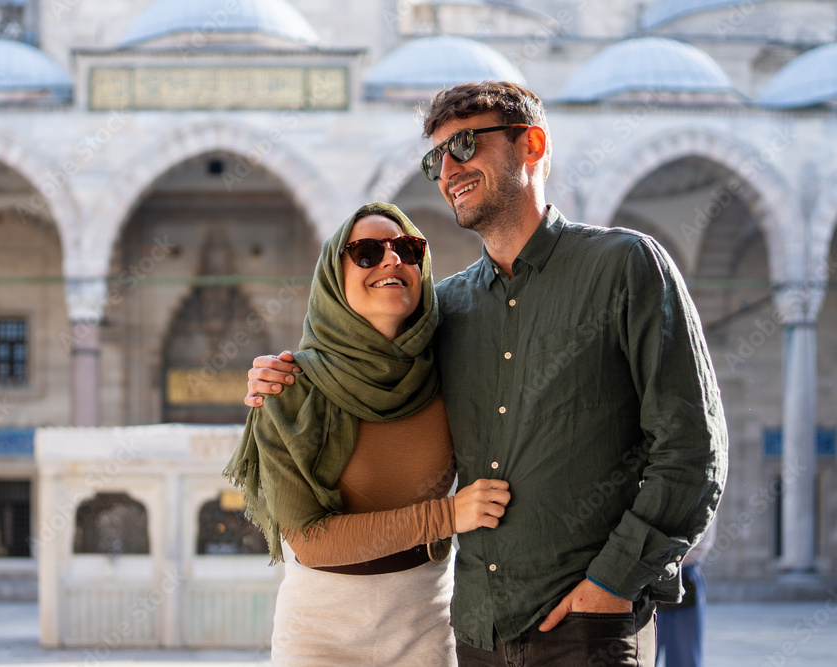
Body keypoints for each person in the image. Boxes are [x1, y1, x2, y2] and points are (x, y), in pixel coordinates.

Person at [245, 81, 728, 666]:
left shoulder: (624, 267)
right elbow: (368, 356)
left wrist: (611, 586)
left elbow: (692, 449)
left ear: (532, 145)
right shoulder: (448, 311)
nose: (449, 169)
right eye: (437, 158)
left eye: (467, 145)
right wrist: (284, 376)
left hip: (586, 629)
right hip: (475, 634)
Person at [224, 202, 511, 666]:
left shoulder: (453, 369)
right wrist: (448, 515)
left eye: (408, 248)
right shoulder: (291, 389)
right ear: (335, 278)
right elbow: (312, 542)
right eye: (366, 253)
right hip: (319, 636)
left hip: (425, 624)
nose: (391, 260)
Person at [656, 517, 717, 667]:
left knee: (685, 658)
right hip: (647, 576)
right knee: (640, 655)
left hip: (684, 575)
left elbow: (703, 540)